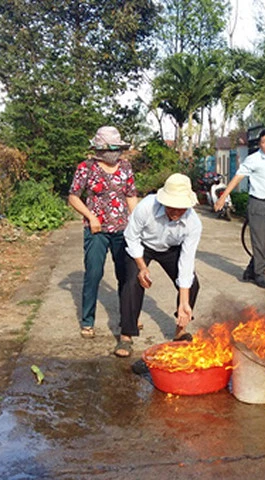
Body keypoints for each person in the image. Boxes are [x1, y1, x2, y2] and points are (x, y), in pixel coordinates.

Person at [115, 173, 202, 358]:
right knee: (133, 282)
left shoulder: (193, 223)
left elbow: (186, 261)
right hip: (141, 245)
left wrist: (184, 302)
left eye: (182, 208)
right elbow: (131, 236)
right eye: (172, 207)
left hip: (170, 248)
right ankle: (126, 335)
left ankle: (180, 330)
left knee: (192, 284)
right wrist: (142, 267)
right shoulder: (147, 206)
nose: (177, 212)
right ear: (164, 201)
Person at [68, 126, 139, 339]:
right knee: (93, 274)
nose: (114, 153)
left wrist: (136, 223)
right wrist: (91, 217)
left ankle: (128, 319)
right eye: (111, 148)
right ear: (100, 149)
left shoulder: (125, 166)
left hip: (122, 230)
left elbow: (131, 196)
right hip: (96, 230)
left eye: (117, 148)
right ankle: (88, 321)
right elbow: (73, 196)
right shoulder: (86, 167)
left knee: (126, 276)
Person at [214, 127, 265, 288]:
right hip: (258, 205)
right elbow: (238, 177)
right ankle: (259, 274)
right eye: (263, 142)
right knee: (260, 242)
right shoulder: (254, 159)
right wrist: (223, 197)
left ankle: (250, 270)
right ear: (260, 144)